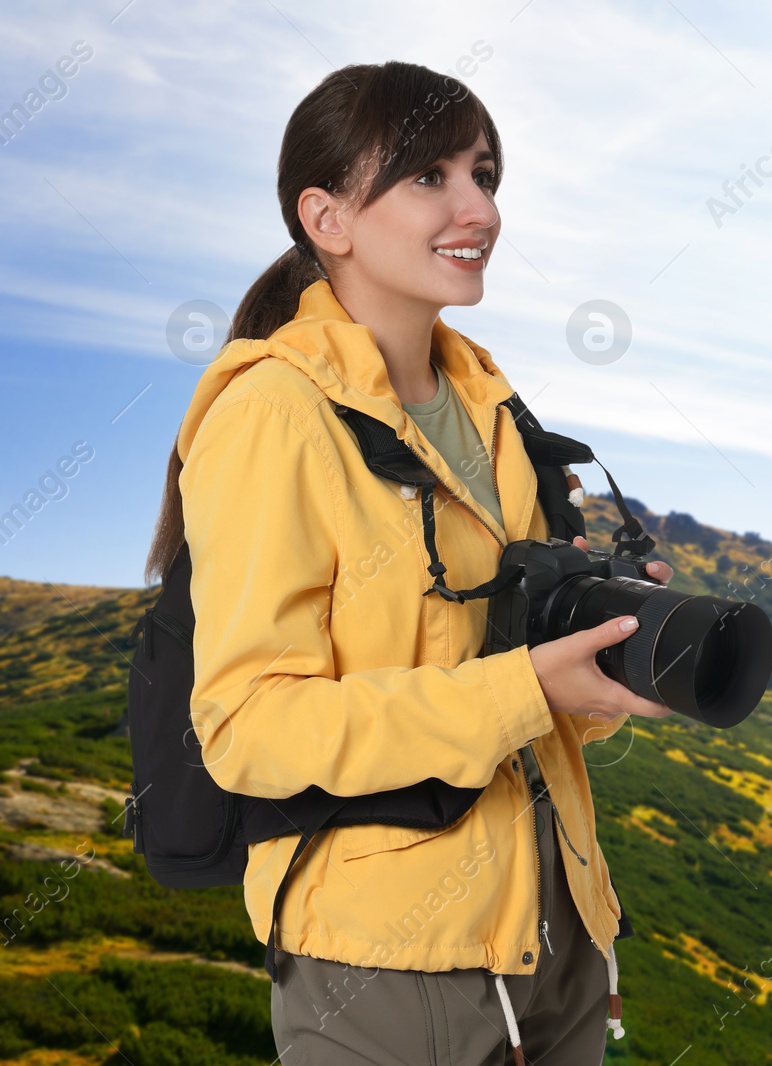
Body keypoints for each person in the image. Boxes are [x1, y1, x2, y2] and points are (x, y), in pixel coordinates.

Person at [142, 60, 675, 1065]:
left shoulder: (496, 413)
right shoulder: (274, 412)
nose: (478, 206)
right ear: (327, 217)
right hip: (383, 967)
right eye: (429, 176)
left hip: (558, 937)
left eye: (484, 173)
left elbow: (519, 710)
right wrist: (523, 686)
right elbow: (249, 729)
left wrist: (595, 668)